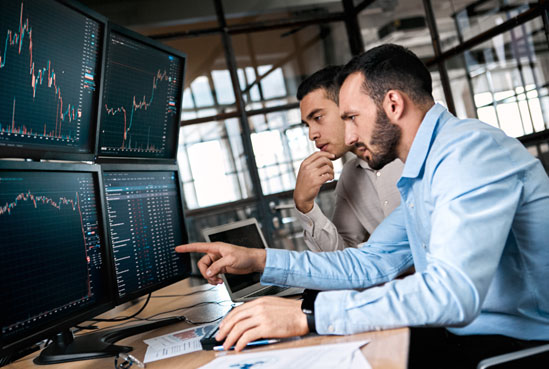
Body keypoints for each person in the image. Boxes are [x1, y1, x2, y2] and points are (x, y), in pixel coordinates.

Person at [176, 44, 549, 366]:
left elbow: (452, 294)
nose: (349, 135)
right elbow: (371, 262)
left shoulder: (467, 154)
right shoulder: (428, 169)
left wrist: (306, 314)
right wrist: (258, 260)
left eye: (352, 118)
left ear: (393, 104)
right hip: (469, 334)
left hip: (521, 348)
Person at [294, 66, 402, 251]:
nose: (312, 134)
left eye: (318, 117)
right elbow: (339, 258)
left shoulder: (406, 155)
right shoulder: (350, 176)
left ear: (347, 106)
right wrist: (305, 205)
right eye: (307, 125)